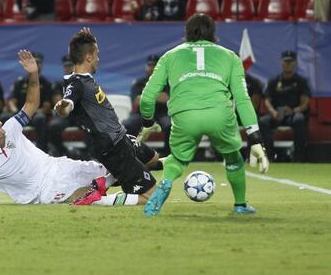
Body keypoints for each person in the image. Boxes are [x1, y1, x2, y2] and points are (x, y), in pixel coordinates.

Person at [0, 51, 159, 206]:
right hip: (45, 190)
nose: (2, 130)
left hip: (60, 167)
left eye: (0, 126)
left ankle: (160, 167)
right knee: (93, 193)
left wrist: (33, 76)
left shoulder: (11, 128)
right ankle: (103, 196)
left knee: (120, 160)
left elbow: (31, 103)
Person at [138, 13, 269, 216]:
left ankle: (164, 186)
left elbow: (147, 97)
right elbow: (243, 99)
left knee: (178, 160)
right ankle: (240, 205)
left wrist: (148, 122)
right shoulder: (230, 56)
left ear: (187, 33)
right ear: (213, 33)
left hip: (185, 115)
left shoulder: (170, 56)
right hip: (219, 114)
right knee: (233, 157)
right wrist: (255, 137)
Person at [54, 28, 158, 206]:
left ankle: (104, 182)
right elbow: (67, 106)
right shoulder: (76, 83)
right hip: (112, 147)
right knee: (151, 196)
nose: (98, 59)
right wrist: (63, 106)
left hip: (120, 138)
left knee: (152, 158)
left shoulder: (84, 79)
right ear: (88, 57)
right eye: (97, 54)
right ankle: (97, 200)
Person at [259, 51, 311, 162]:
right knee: (263, 121)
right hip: (277, 114)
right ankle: (269, 156)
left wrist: (293, 110)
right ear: (281, 63)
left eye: (290, 61)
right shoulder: (274, 80)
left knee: (300, 119)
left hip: (293, 113)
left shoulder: (301, 81)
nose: (288, 64)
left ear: (295, 63)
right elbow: (267, 100)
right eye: (285, 61)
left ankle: (299, 157)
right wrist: (273, 112)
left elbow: (305, 103)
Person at [1, 52, 52, 152]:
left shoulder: (46, 83)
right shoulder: (19, 82)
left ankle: (41, 150)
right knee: (4, 117)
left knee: (40, 118)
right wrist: (16, 111)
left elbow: (47, 105)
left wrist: (33, 112)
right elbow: (12, 101)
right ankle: (6, 149)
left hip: (35, 114)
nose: (36, 65)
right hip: (20, 114)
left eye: (39, 63)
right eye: (34, 62)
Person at [123, 54, 171, 156]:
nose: (152, 68)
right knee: (128, 124)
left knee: (170, 125)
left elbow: (166, 98)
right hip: (141, 114)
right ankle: (130, 153)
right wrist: (156, 96)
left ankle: (167, 155)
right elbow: (136, 101)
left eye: (155, 65)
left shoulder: (166, 82)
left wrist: (145, 96)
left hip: (161, 114)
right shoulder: (139, 82)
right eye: (150, 65)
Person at [47, 55, 78, 157]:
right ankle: (60, 151)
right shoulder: (58, 85)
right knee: (53, 126)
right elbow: (59, 103)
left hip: (79, 115)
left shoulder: (81, 83)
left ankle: (90, 152)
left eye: (70, 66)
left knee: (93, 123)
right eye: (66, 66)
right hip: (64, 115)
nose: (68, 68)